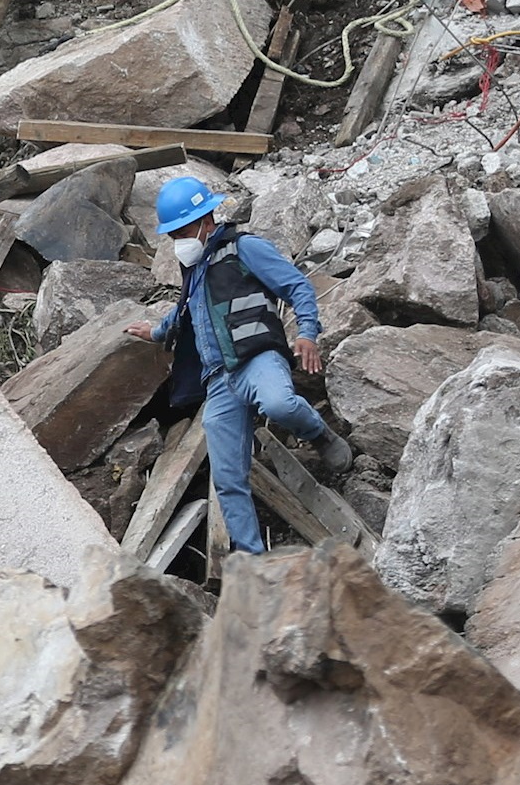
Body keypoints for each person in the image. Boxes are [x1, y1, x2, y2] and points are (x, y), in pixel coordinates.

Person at [124, 175, 352, 555]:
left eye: (181, 231)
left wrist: (307, 333)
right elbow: (183, 317)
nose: (177, 241)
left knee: (278, 403)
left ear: (206, 222)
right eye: (172, 235)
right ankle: (253, 558)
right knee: (227, 476)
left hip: (257, 358)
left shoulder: (245, 249)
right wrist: (157, 332)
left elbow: (297, 286)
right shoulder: (193, 275)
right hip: (219, 381)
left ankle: (320, 435)